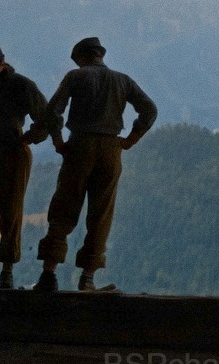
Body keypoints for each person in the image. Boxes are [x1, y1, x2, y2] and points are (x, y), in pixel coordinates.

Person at [34, 37, 156, 292]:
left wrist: (58, 141)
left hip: (80, 146)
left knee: (65, 207)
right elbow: (149, 109)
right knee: (101, 214)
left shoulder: (75, 77)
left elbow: (53, 110)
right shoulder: (123, 80)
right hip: (111, 149)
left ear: (82, 57)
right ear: (100, 55)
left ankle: (48, 274)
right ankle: (88, 279)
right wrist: (131, 139)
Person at [0, 38, 62, 289]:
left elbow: (48, 117)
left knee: (10, 214)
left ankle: (7, 272)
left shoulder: (22, 85)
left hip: (12, 157)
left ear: (1, 62)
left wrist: (30, 137)